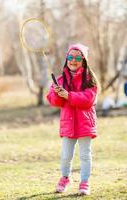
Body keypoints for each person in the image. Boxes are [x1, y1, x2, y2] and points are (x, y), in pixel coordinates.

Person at [46, 43, 99, 195]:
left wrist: (69, 95)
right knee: (65, 156)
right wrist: (57, 94)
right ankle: (64, 178)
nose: (73, 60)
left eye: (77, 57)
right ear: (66, 59)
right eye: (70, 57)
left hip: (85, 124)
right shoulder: (61, 79)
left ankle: (84, 182)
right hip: (68, 123)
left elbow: (89, 99)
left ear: (84, 61)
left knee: (85, 155)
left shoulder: (90, 79)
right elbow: (54, 101)